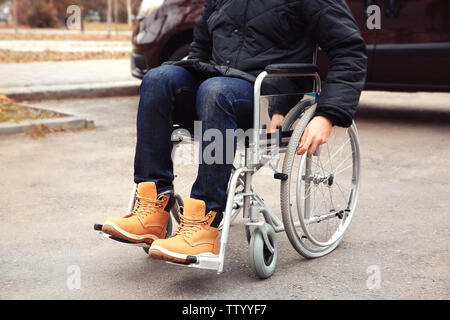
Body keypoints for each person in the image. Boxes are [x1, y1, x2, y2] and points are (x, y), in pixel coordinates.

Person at [101, 0, 367, 263]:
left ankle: (204, 222)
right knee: (157, 80)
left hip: (268, 93)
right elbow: (201, 49)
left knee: (215, 91)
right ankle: (151, 206)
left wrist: (327, 114)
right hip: (216, 84)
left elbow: (349, 50)